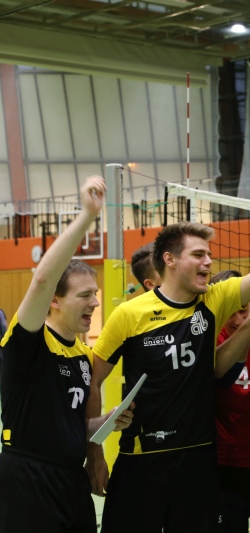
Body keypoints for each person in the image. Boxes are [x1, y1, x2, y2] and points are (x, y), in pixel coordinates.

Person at [87, 221, 250, 533]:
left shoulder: (213, 300)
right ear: (170, 259)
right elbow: (93, 380)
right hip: (141, 460)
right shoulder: (129, 315)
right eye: (198, 254)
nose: (208, 262)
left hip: (197, 463)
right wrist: (95, 454)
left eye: (209, 254)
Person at [0, 176, 134, 533]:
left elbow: (68, 427)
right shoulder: (30, 341)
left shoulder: (83, 354)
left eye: (95, 294)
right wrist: (88, 215)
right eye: (84, 295)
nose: (95, 303)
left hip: (71, 479)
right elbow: (43, 279)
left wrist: (106, 422)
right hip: (29, 479)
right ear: (55, 301)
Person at [212, 270, 250, 533]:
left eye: (243, 309)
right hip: (224, 466)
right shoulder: (210, 342)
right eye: (229, 311)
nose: (237, 319)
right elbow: (217, 371)